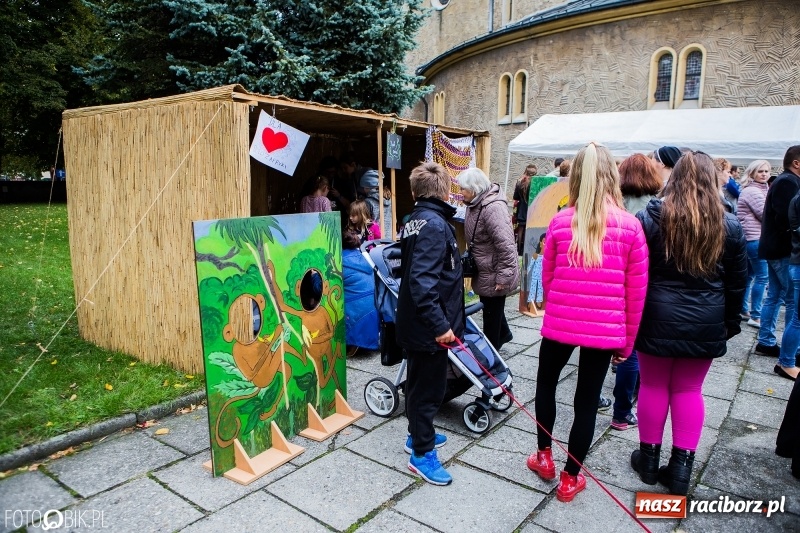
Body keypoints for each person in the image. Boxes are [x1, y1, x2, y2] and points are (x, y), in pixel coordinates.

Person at [526, 142, 648, 503]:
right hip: (605, 331)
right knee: (586, 401)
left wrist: (563, 305)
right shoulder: (631, 228)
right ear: (613, 176)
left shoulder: (561, 222)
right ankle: (569, 478)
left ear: (575, 177)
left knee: (546, 387)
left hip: (561, 324)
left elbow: (547, 281)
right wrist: (627, 343)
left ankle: (544, 457)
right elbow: (636, 294)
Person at [631, 151, 746, 496]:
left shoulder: (650, 218)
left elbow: (636, 274)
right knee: (688, 390)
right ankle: (681, 469)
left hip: (656, 316)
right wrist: (728, 324)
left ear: (674, 177)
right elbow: (737, 284)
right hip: (706, 319)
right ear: (713, 180)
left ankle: (649, 462)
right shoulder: (730, 225)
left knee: (652, 386)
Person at [396, 161, 465, 486]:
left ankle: (416, 435)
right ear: (445, 191)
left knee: (418, 383)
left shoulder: (415, 220)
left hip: (416, 323)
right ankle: (422, 454)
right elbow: (422, 282)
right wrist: (440, 326)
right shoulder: (435, 225)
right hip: (428, 327)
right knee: (429, 391)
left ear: (414, 192)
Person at [606, 153, 663, 432]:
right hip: (639, 283)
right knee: (632, 351)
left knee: (598, 346)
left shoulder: (612, 205)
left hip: (610, 283)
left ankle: (594, 397)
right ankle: (622, 411)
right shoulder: (657, 209)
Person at [458, 168, 520, 351]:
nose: (460, 192)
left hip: (494, 271)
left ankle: (492, 352)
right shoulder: (476, 203)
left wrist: (504, 277)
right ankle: (505, 334)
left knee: (491, 314)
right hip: (486, 268)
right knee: (493, 307)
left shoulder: (493, 208)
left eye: (463, 189)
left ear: (475, 189)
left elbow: (506, 245)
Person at [756, 146, 800, 360]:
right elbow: (786, 219)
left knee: (775, 296)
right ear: (796, 163)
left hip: (777, 248)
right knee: (790, 299)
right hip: (782, 249)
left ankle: (766, 341)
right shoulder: (787, 182)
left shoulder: (787, 181)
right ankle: (790, 350)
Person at [775, 147, 800, 381]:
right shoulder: (789, 184)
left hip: (791, 256)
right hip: (792, 257)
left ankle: (789, 355)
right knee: (794, 312)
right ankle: (787, 360)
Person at [736, 160, 771, 328]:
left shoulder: (758, 190)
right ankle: (756, 315)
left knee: (749, 276)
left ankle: (743, 309)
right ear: (752, 173)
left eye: (766, 171)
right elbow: (765, 214)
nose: (764, 174)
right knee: (762, 277)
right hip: (755, 238)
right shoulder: (753, 191)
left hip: (751, 238)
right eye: (760, 171)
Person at [342, 230, 379, 355]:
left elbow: (321, 287)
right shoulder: (364, 257)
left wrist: (314, 277)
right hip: (373, 312)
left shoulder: (339, 261)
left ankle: (351, 342)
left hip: (355, 315)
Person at [513, 164, 538, 255]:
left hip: (521, 210)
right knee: (529, 230)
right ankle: (528, 249)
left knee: (520, 229)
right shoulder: (536, 183)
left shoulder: (519, 182)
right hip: (532, 210)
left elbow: (515, 197)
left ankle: (519, 249)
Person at [360, 171, 392, 238]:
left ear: (367, 187)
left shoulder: (368, 202)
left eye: (363, 187)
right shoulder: (388, 198)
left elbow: (366, 221)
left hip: (375, 239)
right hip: (389, 236)